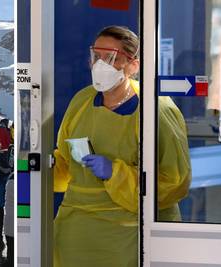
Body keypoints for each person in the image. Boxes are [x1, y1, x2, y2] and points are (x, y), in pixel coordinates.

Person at [53, 26, 191, 267]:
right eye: (96, 56)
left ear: (133, 66)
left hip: (130, 237)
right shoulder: (81, 102)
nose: (100, 65)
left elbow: (174, 183)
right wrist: (36, 172)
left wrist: (116, 173)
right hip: (77, 234)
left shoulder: (155, 109)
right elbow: (64, 165)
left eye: (111, 58)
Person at [3, 173, 14, 267]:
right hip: (18, 224)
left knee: (10, 250)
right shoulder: (24, 182)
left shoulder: (9, 180)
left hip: (8, 223)